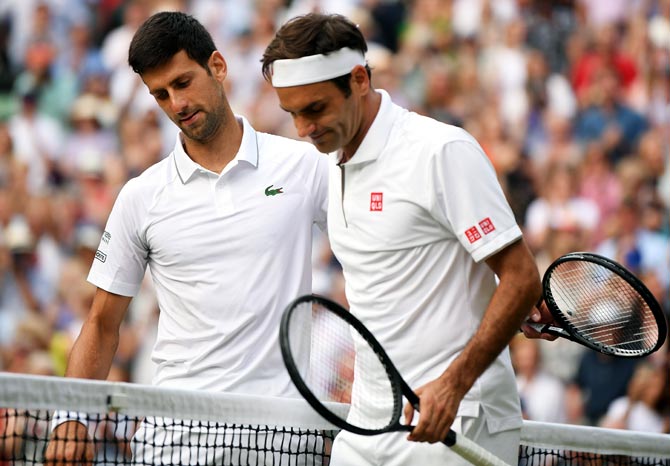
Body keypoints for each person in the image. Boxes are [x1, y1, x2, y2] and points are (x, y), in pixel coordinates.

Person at [45, 11, 328, 466]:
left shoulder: (305, 166)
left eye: (182, 82)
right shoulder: (141, 196)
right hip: (175, 444)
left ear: (218, 66)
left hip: (287, 441)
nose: (176, 104)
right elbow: (101, 323)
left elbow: (377, 246)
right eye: (160, 94)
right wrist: (71, 420)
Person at [262, 13, 542, 466]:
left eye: (314, 109)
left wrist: (454, 383)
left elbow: (521, 277)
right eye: (291, 113)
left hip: (459, 421)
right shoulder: (332, 160)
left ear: (358, 80)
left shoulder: (440, 151)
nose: (302, 129)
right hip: (369, 421)